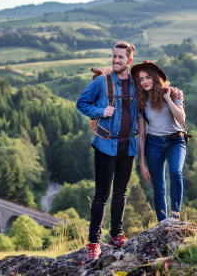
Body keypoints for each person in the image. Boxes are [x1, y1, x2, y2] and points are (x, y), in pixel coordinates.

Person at [76, 45, 183, 260]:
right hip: (105, 144)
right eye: (113, 56)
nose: (116, 60)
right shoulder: (101, 82)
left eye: (120, 57)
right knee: (101, 194)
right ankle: (94, 242)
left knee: (121, 192)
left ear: (129, 59)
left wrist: (174, 92)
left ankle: (116, 234)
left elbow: (153, 83)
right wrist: (100, 111)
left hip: (128, 146)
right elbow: (81, 103)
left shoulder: (136, 84)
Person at [131, 60, 187, 222]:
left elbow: (181, 118)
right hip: (153, 144)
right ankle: (162, 224)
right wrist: (142, 163)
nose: (144, 82)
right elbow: (141, 135)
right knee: (158, 187)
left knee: (176, 172)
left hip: (175, 141)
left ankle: (175, 216)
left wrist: (168, 98)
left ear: (155, 78)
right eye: (141, 79)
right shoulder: (141, 102)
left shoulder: (173, 93)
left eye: (147, 77)